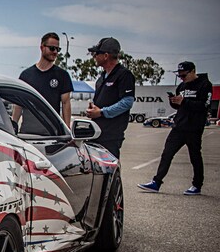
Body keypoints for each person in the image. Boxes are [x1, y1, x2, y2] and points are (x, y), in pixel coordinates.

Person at [138, 62, 212, 195]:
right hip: (179, 126)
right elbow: (179, 108)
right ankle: (156, 182)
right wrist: (174, 102)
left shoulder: (205, 85)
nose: (182, 78)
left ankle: (197, 185)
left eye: (184, 75)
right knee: (167, 154)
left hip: (194, 128)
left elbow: (204, 106)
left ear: (193, 71)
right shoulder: (182, 86)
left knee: (195, 157)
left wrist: (184, 101)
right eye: (179, 75)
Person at [85, 37, 135, 158]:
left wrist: (102, 112)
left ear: (106, 55)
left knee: (110, 169)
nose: (94, 56)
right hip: (97, 132)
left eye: (97, 53)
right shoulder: (102, 77)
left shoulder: (124, 75)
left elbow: (127, 102)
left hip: (111, 135)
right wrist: (93, 110)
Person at [14, 32, 73, 128]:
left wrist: (67, 129)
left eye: (58, 49)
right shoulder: (26, 75)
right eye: (52, 48)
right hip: (28, 133)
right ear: (42, 48)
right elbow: (18, 104)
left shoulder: (62, 75)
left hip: (52, 133)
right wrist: (14, 124)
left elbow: (66, 103)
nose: (55, 52)